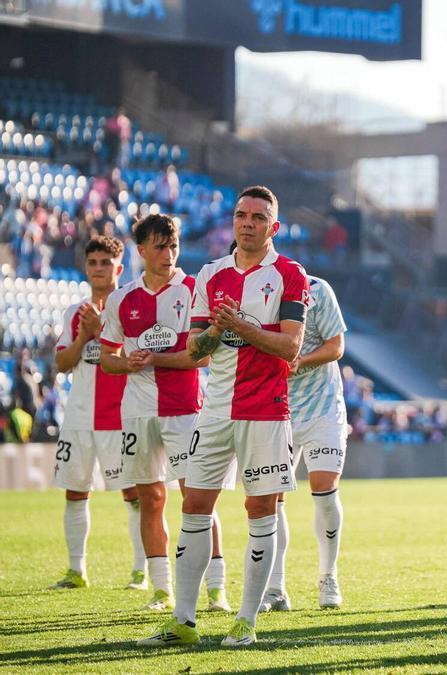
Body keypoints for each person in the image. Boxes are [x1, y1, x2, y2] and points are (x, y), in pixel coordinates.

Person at [137, 185, 309, 647]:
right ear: (232, 222)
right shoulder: (210, 276)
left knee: (260, 509)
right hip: (213, 412)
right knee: (194, 505)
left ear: (273, 227)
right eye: (241, 215)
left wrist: (243, 327)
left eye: (257, 216)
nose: (248, 222)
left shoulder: (290, 275)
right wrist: (216, 328)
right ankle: (183, 621)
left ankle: (246, 621)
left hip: (267, 413)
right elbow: (195, 350)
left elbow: (291, 346)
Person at [99, 214, 231, 613]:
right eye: (159, 246)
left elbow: (203, 358)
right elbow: (107, 359)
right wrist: (129, 364)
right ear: (141, 250)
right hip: (137, 413)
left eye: (173, 246)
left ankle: (216, 589)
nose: (168, 254)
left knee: (197, 499)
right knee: (150, 498)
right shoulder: (122, 299)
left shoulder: (194, 290)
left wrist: (156, 357)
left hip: (185, 412)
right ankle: (161, 589)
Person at [49, 236, 142, 590]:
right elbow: (61, 364)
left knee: (133, 494)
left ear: (119, 268)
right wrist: (84, 334)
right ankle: (76, 570)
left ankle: (139, 569)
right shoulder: (74, 312)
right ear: (86, 267)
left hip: (120, 416)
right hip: (79, 416)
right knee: (74, 491)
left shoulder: (132, 307)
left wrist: (101, 329)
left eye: (107, 263)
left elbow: (133, 358)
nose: (99, 269)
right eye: (93, 263)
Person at [263, 274, 348, 612]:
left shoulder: (316, 289)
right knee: (272, 500)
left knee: (324, 490)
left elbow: (336, 346)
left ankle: (329, 576)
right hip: (274, 408)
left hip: (323, 407)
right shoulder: (250, 291)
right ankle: (275, 587)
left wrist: (300, 361)